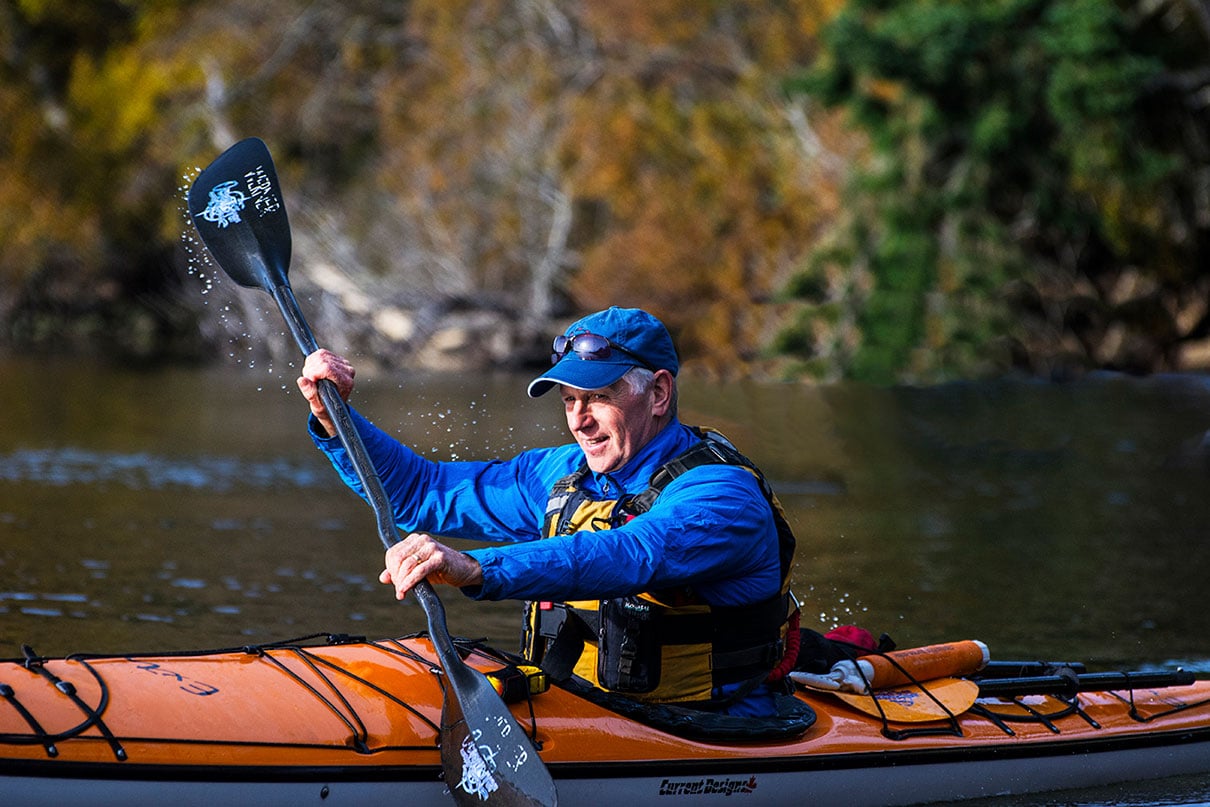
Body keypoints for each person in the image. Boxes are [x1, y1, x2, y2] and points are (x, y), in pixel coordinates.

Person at [297, 306, 797, 717]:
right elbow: (419, 491)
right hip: (585, 710)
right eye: (569, 400)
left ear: (659, 392)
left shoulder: (721, 496)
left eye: (599, 397)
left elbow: (630, 553)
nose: (580, 421)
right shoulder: (561, 475)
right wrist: (335, 419)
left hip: (712, 725)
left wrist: (477, 568)